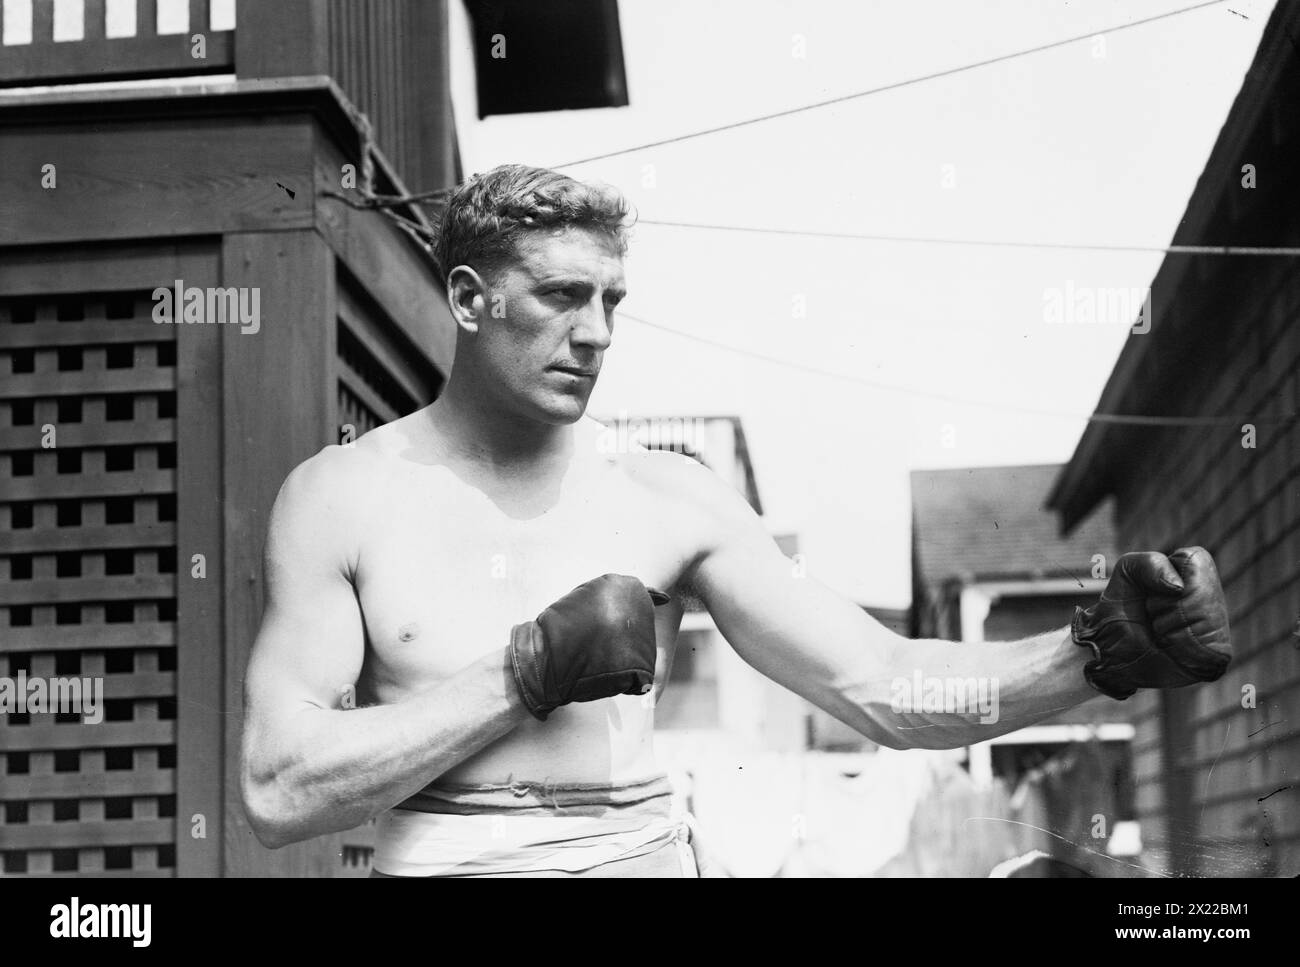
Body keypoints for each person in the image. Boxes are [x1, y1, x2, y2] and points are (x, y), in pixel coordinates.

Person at [238, 164, 1232, 877]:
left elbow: (879, 683)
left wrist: (1083, 659)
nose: (595, 333)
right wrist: (519, 673)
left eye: (612, 302)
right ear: (468, 297)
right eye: (559, 296)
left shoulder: (670, 498)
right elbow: (279, 792)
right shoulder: (344, 495)